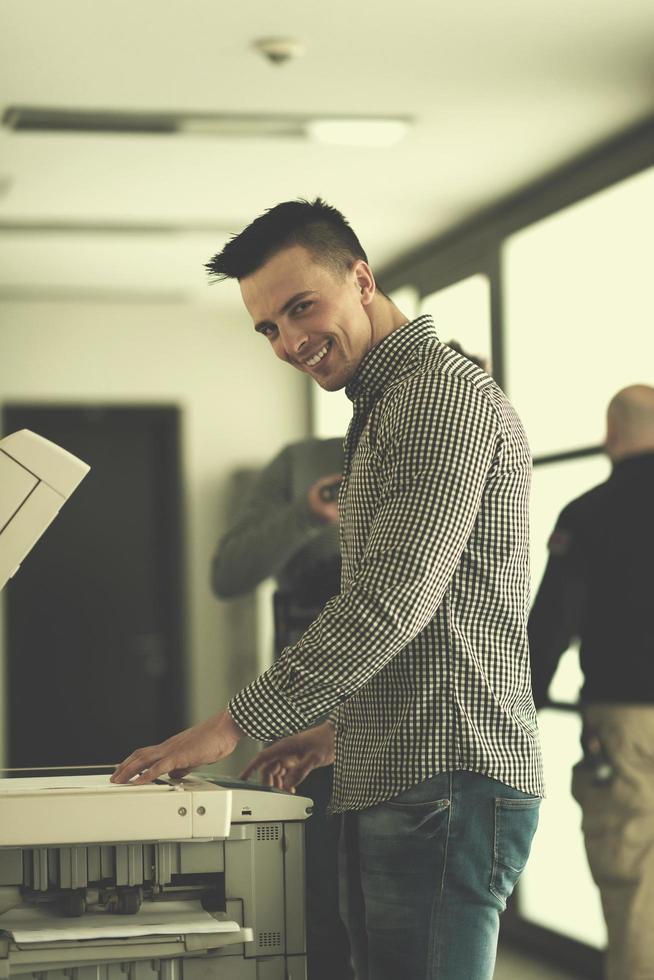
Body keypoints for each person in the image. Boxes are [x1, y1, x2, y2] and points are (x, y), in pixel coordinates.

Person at [112, 198, 544, 980]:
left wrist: (232, 722)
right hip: (404, 767)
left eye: (301, 307)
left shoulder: (436, 399)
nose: (288, 342)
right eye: (268, 327)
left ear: (362, 277)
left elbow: (390, 603)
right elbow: (437, 621)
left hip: (444, 779)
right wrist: (335, 730)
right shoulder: (384, 407)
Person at [211, 437, 355, 980]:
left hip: (412, 716)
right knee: (317, 894)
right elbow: (227, 575)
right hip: (308, 713)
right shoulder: (303, 463)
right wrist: (305, 516)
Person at [528, 384, 654, 980]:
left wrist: (520, 706)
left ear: (611, 435)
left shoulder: (587, 513)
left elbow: (553, 623)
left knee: (635, 891)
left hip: (624, 723)